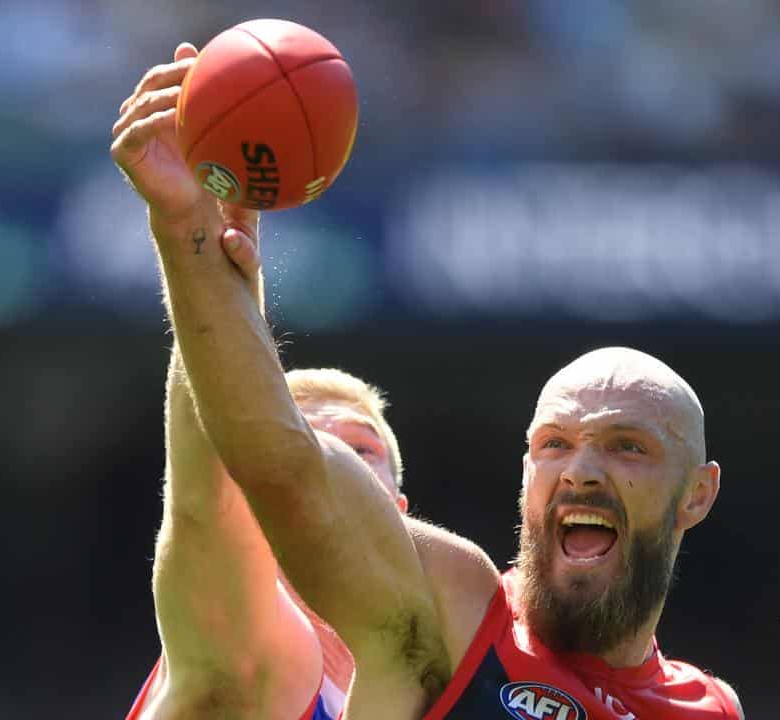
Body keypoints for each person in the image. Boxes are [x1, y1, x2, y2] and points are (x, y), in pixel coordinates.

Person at [113, 40, 743, 720]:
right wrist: (189, 236)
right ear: (525, 468)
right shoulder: (455, 613)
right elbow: (274, 464)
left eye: (628, 446)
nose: (582, 471)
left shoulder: (708, 708)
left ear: (697, 495)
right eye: (555, 444)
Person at [113, 43, 408, 720]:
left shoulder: (456, 677)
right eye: (300, 445)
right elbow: (201, 506)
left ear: (401, 509)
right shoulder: (252, 663)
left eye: (360, 451)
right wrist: (191, 238)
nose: (325, 462)